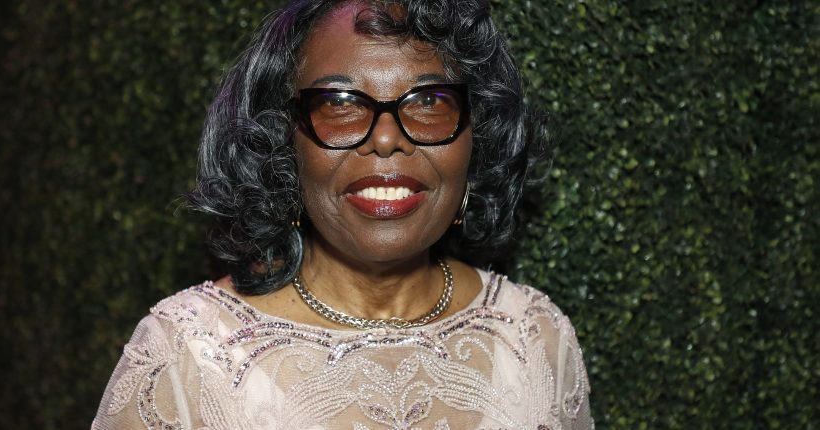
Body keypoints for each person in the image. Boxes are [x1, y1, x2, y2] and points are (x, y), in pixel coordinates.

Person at [92, 0, 593, 428]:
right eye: (338, 103)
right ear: (280, 142)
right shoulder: (187, 353)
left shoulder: (538, 339)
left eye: (430, 101)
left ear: (475, 138)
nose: (386, 138)